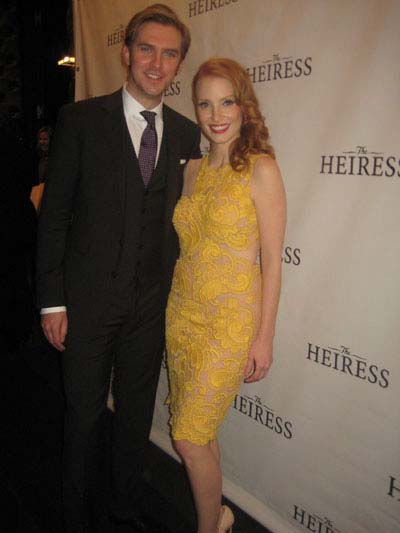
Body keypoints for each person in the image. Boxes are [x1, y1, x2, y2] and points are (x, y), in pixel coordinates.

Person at [36, 4, 201, 532]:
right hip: (85, 303)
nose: (157, 62)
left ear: (178, 65)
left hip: (151, 306)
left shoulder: (186, 133)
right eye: (147, 49)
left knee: (134, 419)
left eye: (169, 53)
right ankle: (74, 515)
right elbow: (55, 216)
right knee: (82, 419)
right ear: (127, 54)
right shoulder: (82, 120)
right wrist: (52, 300)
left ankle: (124, 510)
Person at [166, 58, 286, 533]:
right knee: (199, 433)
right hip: (181, 314)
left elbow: (273, 261)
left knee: (188, 438)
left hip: (229, 323)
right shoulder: (190, 169)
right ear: (195, 110)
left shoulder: (261, 169)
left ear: (243, 105)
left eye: (227, 102)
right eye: (205, 104)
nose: (216, 114)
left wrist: (264, 338)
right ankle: (217, 516)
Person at [30, 125, 52, 212]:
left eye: (45, 139)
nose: (42, 142)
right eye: (40, 139)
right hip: (37, 193)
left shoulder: (54, 159)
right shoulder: (35, 157)